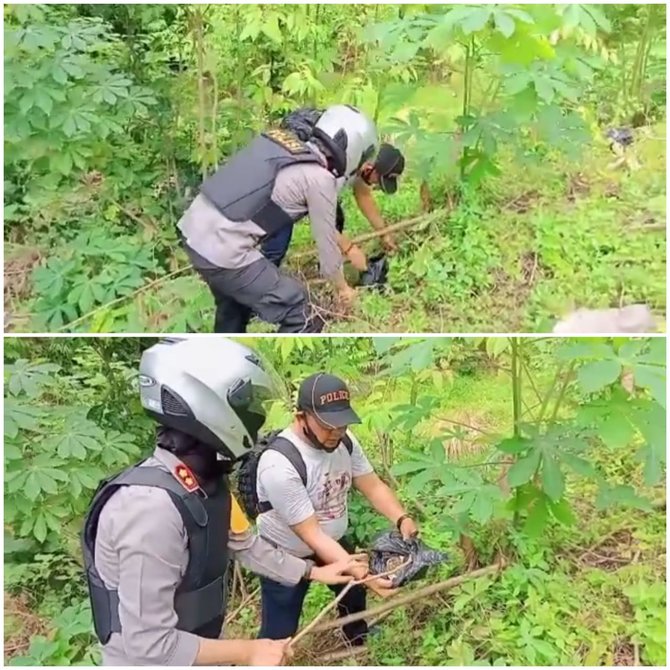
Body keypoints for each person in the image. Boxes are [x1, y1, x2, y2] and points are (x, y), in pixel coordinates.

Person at [81, 338, 366, 666]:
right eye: (248, 405)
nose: (257, 417)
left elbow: (245, 546)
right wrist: (249, 651)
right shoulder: (150, 511)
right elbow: (149, 645)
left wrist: (315, 572)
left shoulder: (204, 485)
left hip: (197, 647)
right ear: (212, 408)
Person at [177, 104, 403, 334]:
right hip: (223, 249)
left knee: (235, 303)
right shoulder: (319, 178)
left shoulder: (282, 144)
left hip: (193, 227)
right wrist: (343, 289)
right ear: (354, 149)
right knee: (305, 314)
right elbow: (328, 258)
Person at [253, 372, 419, 645]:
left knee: (353, 594)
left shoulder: (345, 441)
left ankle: (357, 637)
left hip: (332, 540)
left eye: (341, 424)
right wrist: (366, 576)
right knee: (280, 628)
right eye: (328, 426)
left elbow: (373, 486)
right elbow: (312, 535)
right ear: (300, 417)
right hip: (286, 552)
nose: (336, 433)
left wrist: (401, 518)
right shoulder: (279, 465)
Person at [259, 106, 405, 270]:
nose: (376, 185)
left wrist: (384, 234)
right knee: (279, 234)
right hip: (290, 165)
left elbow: (363, 195)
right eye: (379, 180)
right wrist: (349, 249)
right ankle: (258, 276)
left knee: (336, 219)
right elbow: (321, 219)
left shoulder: (363, 153)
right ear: (371, 167)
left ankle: (330, 263)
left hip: (310, 162)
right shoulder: (337, 164)